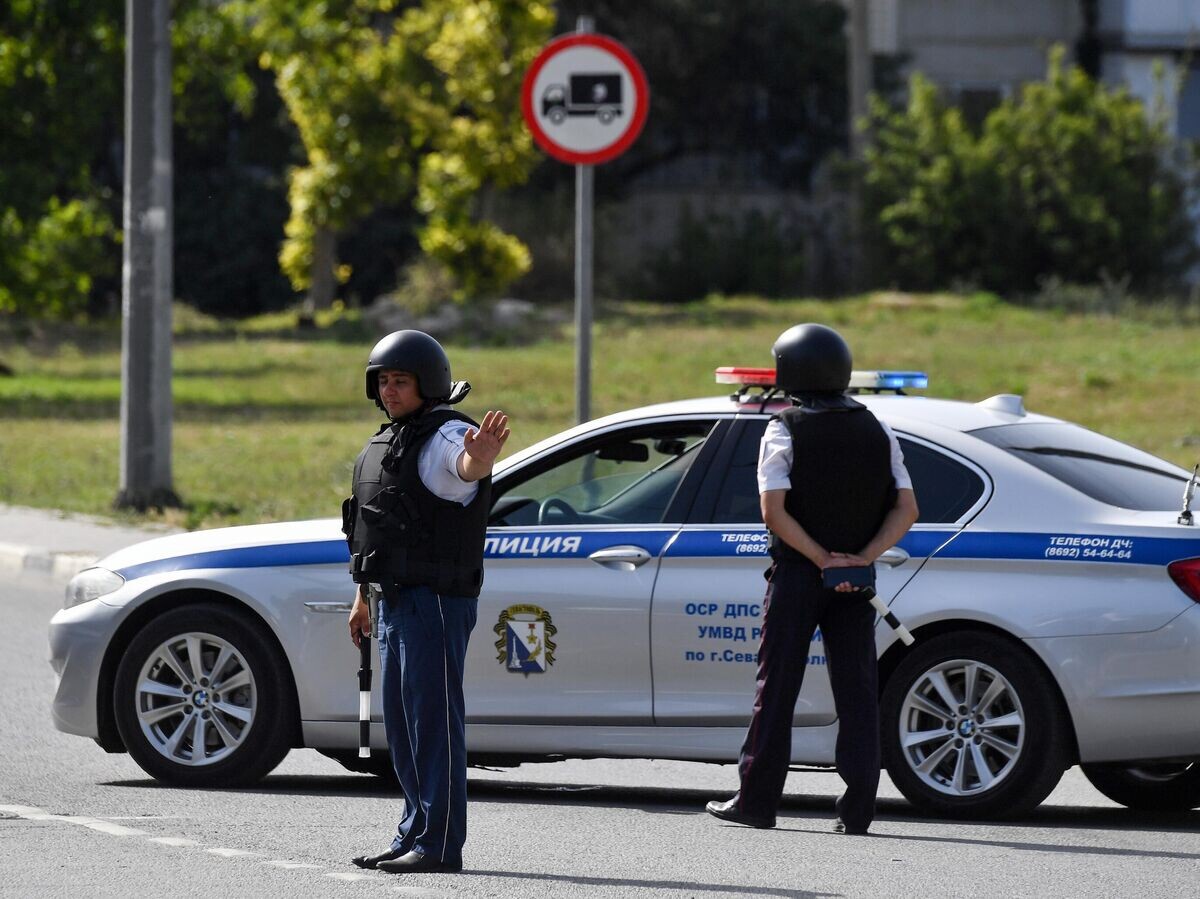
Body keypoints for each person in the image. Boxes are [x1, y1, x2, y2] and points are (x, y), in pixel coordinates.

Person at [706, 323, 918, 836]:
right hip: (857, 580)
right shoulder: (877, 427)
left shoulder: (784, 427)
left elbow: (773, 512)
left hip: (801, 576)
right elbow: (907, 509)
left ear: (791, 371)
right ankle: (859, 811)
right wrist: (859, 557)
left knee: (776, 687)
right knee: (858, 692)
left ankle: (756, 802)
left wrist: (821, 558)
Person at [342, 329, 509, 874]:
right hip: (392, 600)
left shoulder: (446, 436)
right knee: (404, 721)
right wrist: (362, 597)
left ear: (427, 384)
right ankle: (412, 831)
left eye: (401, 381)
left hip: (434, 601)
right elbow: (374, 529)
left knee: (433, 721)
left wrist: (479, 460)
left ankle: (438, 846)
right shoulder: (390, 440)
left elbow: (464, 470)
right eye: (384, 381)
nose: (390, 391)